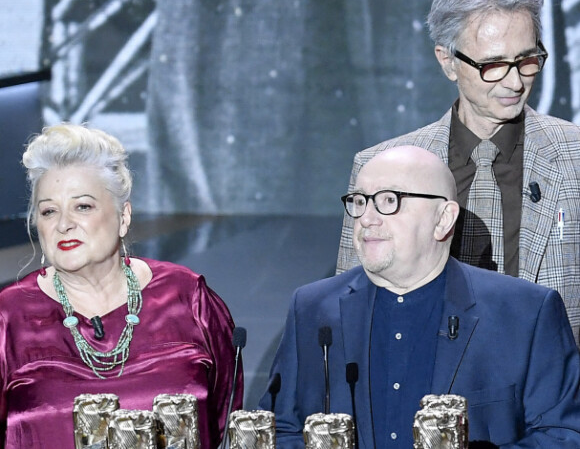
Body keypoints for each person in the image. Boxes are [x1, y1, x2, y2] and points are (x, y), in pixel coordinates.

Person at [260, 146, 580, 448]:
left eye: (389, 200)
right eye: (360, 201)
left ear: (442, 219)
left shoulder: (526, 313)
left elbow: (564, 436)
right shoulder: (312, 307)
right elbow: (282, 428)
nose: (367, 218)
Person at [336, 0, 580, 346]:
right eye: (493, 65)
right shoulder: (380, 167)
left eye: (527, 60)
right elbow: (353, 307)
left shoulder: (574, 157)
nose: (515, 81)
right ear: (447, 61)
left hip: (550, 395)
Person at [0, 123, 243, 448]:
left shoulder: (188, 298)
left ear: (123, 216)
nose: (63, 224)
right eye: (48, 211)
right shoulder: (8, 318)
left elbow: (224, 420)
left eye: (82, 206)